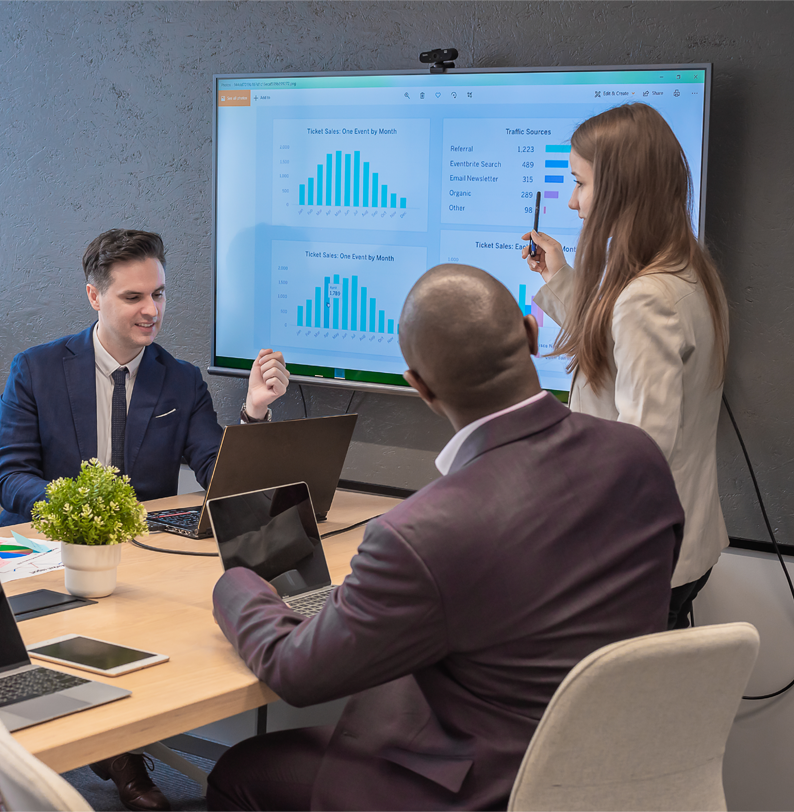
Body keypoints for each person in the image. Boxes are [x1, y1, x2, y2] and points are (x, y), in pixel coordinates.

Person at [205, 264, 684, 811]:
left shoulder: (423, 532)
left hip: (483, 790)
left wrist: (239, 582)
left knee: (243, 769)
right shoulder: (638, 457)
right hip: (606, 773)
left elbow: (295, 670)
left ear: (419, 386)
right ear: (531, 335)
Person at [0, 229, 289, 811]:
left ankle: (121, 748)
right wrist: (83, 511)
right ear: (94, 297)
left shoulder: (179, 379)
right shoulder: (37, 369)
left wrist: (253, 412)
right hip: (51, 550)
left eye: (158, 294)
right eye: (133, 297)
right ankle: (106, 755)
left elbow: (216, 474)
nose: (151, 310)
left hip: (139, 557)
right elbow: (10, 477)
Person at [522, 103, 729, 629]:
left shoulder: (646, 296)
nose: (572, 202)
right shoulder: (687, 271)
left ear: (620, 189)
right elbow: (616, 351)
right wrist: (562, 276)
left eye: (581, 184)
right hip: (683, 541)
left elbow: (640, 450)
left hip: (637, 554)